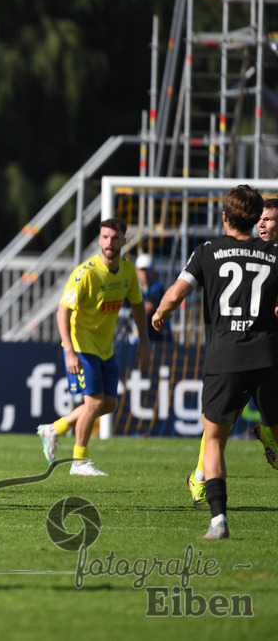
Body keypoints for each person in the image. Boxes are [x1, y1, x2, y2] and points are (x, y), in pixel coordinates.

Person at [152, 185, 278, 539]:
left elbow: (176, 293)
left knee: (214, 440)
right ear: (256, 220)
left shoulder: (207, 252)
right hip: (267, 356)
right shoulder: (274, 255)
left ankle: (218, 520)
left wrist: (161, 312)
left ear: (225, 217)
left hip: (225, 357)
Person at [36, 218, 151, 475]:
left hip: (104, 347)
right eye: (105, 237)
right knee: (94, 402)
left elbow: (137, 306)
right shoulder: (85, 273)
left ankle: (53, 429)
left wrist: (144, 342)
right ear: (100, 240)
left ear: (123, 240)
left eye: (114, 238)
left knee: (108, 404)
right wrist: (69, 351)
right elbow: (62, 312)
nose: (109, 242)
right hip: (81, 345)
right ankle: (79, 461)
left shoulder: (128, 272)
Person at [186, 197, 278, 507]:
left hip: (267, 351)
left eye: (269, 219)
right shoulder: (249, 256)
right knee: (223, 418)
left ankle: (265, 430)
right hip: (250, 350)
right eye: (260, 218)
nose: (263, 224)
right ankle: (200, 476)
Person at [134, 253, 169, 342]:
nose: (145, 273)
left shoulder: (157, 288)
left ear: (152, 270)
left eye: (147, 269)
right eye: (142, 270)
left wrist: (131, 312)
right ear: (137, 271)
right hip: (140, 337)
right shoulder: (134, 289)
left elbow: (149, 308)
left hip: (157, 337)